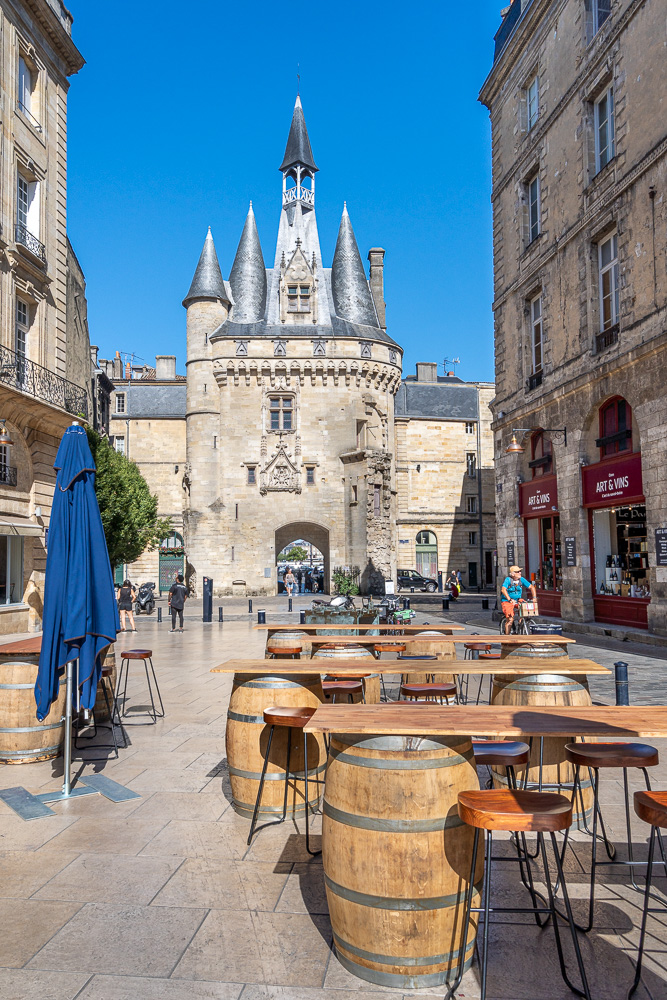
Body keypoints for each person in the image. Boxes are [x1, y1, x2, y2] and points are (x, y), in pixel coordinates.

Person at [501, 565, 536, 634]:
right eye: (518, 572)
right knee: (510, 620)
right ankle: (506, 637)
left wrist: (534, 598)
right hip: (507, 601)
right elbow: (503, 590)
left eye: (520, 571)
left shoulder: (521, 580)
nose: (520, 573)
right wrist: (510, 599)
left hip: (518, 600)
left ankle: (521, 623)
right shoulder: (508, 580)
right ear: (512, 574)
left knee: (526, 608)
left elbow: (532, 587)